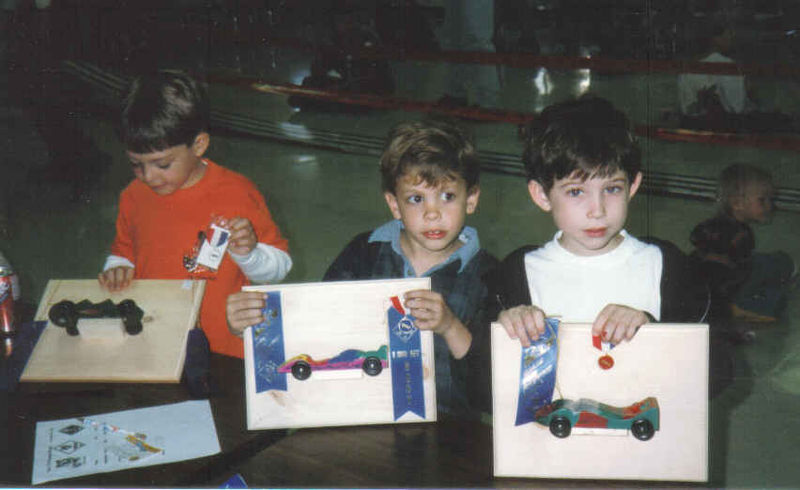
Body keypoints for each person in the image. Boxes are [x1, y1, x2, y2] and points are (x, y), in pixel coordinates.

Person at [227, 118, 497, 417]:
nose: (432, 213)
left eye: (447, 196)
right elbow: (318, 328)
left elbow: (489, 392)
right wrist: (254, 325)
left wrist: (449, 326)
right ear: (394, 204)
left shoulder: (489, 276)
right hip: (361, 415)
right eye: (416, 199)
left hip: (450, 431)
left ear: (471, 199)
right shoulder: (363, 253)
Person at [99, 70, 292, 359]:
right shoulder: (132, 196)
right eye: (136, 164)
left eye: (162, 164)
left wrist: (248, 254)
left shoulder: (237, 193)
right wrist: (117, 266)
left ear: (199, 145)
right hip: (154, 340)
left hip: (222, 348)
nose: (148, 176)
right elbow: (124, 250)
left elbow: (280, 268)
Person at [493, 95, 709, 349]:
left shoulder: (666, 266)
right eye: (576, 192)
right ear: (541, 195)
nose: (597, 210)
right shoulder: (517, 274)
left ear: (633, 186)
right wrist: (503, 331)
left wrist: (651, 330)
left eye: (612, 189)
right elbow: (482, 378)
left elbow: (717, 369)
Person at [690, 164, 795, 336]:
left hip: (713, 285)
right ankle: (738, 308)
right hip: (726, 290)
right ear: (737, 203)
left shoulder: (714, 225)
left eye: (770, 199)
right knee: (776, 292)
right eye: (763, 200)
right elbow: (739, 272)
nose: (769, 206)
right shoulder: (742, 235)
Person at [677, 18, 792, 133]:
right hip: (730, 123)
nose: (731, 39)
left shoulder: (687, 68)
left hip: (696, 122)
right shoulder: (727, 65)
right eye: (728, 35)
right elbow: (738, 107)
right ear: (716, 39)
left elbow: (687, 108)